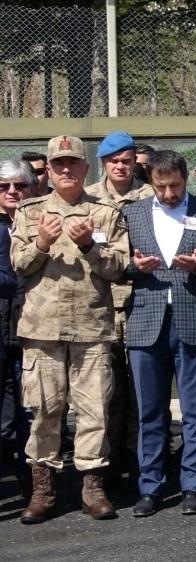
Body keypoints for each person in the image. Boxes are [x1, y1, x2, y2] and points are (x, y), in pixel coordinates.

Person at [14, 135, 127, 523]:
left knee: (94, 409)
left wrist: (90, 247)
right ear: (47, 168)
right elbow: (19, 263)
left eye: (73, 163)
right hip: (42, 328)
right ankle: (43, 490)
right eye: (58, 164)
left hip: (91, 327)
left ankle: (93, 488)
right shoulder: (29, 212)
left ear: (85, 167)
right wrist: (42, 243)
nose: (66, 170)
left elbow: (117, 267)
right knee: (45, 410)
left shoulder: (106, 213)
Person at [121, 150, 196, 517]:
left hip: (193, 319)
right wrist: (133, 268)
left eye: (175, 186)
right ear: (150, 182)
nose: (168, 194)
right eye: (161, 187)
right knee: (151, 412)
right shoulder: (132, 214)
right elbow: (117, 268)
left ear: (187, 179)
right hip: (146, 321)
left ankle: (192, 485)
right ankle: (150, 486)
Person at [86, 131, 153, 491]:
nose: (121, 166)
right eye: (114, 161)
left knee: (141, 386)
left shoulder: (149, 196)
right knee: (107, 389)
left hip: (142, 298)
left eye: (127, 160)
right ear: (104, 164)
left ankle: (141, 459)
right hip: (104, 302)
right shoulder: (90, 199)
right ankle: (108, 464)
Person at [0, 160, 35, 495]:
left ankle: (32, 481)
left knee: (31, 408)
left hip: (31, 328)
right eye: (4, 186)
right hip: (2, 326)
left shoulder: (42, 221)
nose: (12, 192)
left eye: (19, 186)